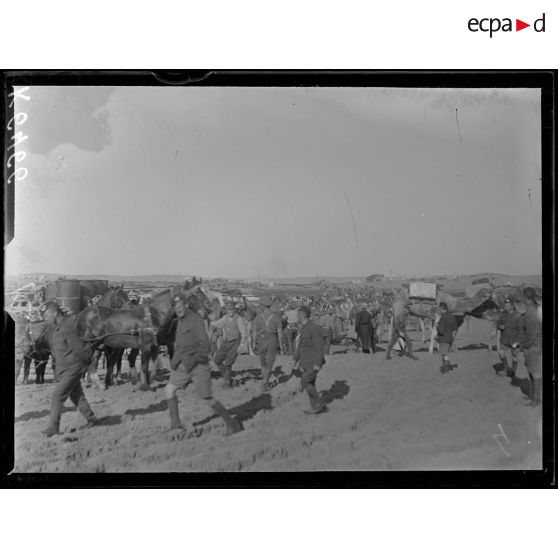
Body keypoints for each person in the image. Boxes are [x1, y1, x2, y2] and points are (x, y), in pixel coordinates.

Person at [165, 293, 242, 435]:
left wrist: (192, 361)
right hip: (184, 364)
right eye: (175, 307)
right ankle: (176, 425)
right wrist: (175, 361)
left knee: (207, 398)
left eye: (180, 305)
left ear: (186, 305)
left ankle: (232, 424)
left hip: (198, 365)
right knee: (169, 390)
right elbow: (181, 344)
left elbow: (205, 346)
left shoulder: (195, 320)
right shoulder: (180, 321)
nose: (178, 309)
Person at [41, 300, 98, 437]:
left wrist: (88, 361)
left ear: (54, 313)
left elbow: (80, 348)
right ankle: (92, 419)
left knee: (57, 396)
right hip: (64, 369)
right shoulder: (56, 328)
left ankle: (53, 428)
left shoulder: (67, 326)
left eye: (46, 315)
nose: (44, 318)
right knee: (76, 395)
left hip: (73, 368)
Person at [292, 306, 327, 414]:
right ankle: (315, 407)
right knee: (311, 384)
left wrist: (317, 363)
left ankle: (318, 402)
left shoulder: (314, 328)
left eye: (298, 314)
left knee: (304, 382)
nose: (296, 316)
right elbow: (301, 347)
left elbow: (319, 347)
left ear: (302, 315)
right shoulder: (304, 328)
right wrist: (295, 360)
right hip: (305, 362)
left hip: (313, 363)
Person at [210, 302, 248, 388]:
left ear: (234, 309)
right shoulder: (225, 318)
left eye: (232, 309)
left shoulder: (239, 319)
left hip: (235, 342)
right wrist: (210, 321)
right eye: (228, 309)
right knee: (217, 359)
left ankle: (227, 382)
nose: (230, 311)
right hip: (226, 341)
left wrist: (241, 346)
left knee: (228, 363)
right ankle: (227, 378)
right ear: (226, 310)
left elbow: (244, 334)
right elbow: (218, 323)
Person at [253, 296, 284, 392]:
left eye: (260, 305)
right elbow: (279, 333)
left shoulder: (257, 318)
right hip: (272, 341)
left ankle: (264, 381)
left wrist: (253, 343)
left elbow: (254, 332)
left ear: (262, 306)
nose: (258, 306)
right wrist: (281, 345)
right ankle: (265, 383)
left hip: (261, 342)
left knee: (263, 363)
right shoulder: (277, 317)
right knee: (270, 363)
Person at [519, 287, 542, 407]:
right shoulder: (532, 308)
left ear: (525, 297)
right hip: (533, 345)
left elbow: (531, 333)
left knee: (535, 373)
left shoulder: (531, 311)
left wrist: (525, 347)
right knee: (532, 372)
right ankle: (533, 397)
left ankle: (536, 400)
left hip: (533, 346)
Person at [496, 298, 522, 379]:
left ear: (511, 306)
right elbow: (498, 324)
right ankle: (507, 368)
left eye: (507, 305)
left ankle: (513, 372)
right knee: (501, 353)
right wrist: (500, 326)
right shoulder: (502, 314)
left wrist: (519, 341)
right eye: (505, 305)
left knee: (514, 357)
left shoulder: (518, 315)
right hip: (505, 339)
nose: (505, 306)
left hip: (515, 340)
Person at [435, 302, 458, 374]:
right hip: (450, 338)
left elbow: (441, 330)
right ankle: (447, 367)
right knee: (445, 354)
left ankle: (446, 369)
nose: (439, 310)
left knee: (445, 354)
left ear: (441, 308)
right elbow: (455, 328)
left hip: (444, 338)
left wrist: (436, 326)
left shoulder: (443, 317)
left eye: (439, 308)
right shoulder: (452, 316)